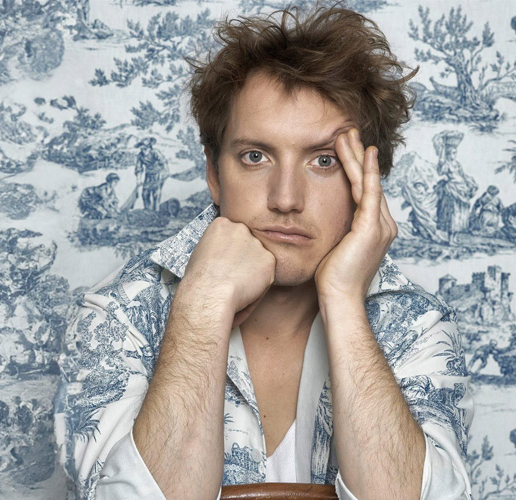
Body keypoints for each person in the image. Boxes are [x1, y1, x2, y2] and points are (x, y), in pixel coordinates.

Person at [54, 6, 472, 500]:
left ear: (367, 183)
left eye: (323, 161)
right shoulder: (117, 315)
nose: (286, 199)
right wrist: (202, 306)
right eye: (256, 156)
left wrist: (343, 300)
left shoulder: (417, 324)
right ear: (214, 174)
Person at [135, 137, 168, 212]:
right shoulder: (140, 156)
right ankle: (147, 210)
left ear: (149, 147)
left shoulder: (155, 152)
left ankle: (156, 210)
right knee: (145, 193)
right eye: (141, 148)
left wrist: (165, 173)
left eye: (145, 148)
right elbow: (139, 168)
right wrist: (138, 179)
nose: (143, 150)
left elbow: (163, 162)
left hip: (158, 174)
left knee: (156, 193)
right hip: (148, 175)